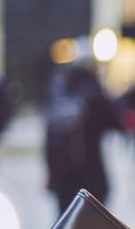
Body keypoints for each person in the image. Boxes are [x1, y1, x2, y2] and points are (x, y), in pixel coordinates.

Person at [44, 62, 120, 214]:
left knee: (66, 224)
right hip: (92, 177)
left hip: (63, 180)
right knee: (95, 226)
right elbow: (116, 122)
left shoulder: (58, 104)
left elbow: (49, 144)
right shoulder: (94, 99)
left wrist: (51, 176)